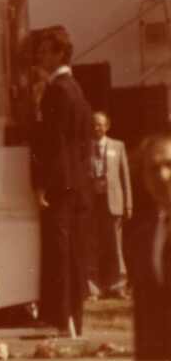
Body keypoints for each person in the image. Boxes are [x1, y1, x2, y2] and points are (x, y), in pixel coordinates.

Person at [31, 25, 92, 336]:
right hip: (76, 181)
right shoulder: (76, 88)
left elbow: (52, 142)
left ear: (58, 53)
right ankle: (72, 319)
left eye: (44, 50)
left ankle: (64, 318)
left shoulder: (57, 90)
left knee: (60, 250)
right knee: (72, 250)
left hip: (60, 182)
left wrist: (41, 183)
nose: (40, 55)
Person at [128, 134, 171, 359]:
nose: (162, 176)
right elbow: (144, 322)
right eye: (153, 169)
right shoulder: (143, 236)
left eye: (169, 165)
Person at [88, 111, 132, 299]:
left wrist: (128, 204)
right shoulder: (85, 147)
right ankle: (94, 288)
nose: (97, 128)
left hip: (113, 202)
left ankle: (118, 285)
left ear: (107, 126)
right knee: (94, 245)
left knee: (115, 245)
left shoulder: (118, 146)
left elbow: (125, 176)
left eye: (100, 124)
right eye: (94, 124)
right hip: (93, 202)